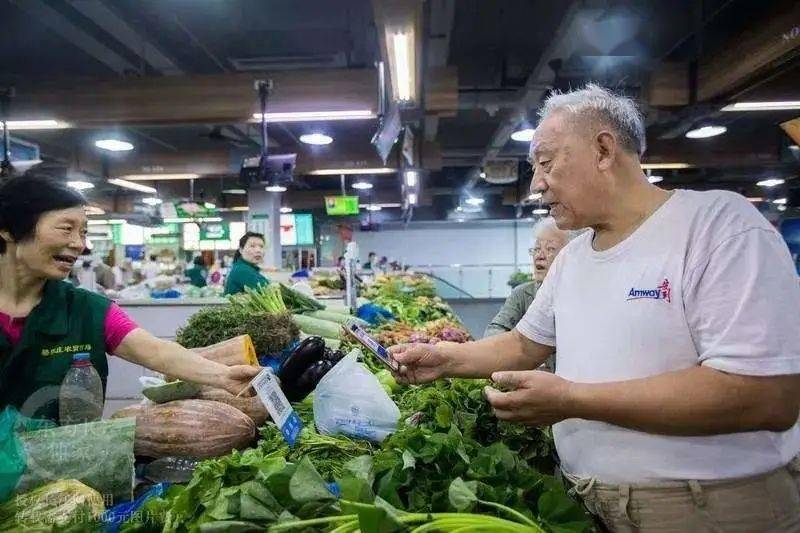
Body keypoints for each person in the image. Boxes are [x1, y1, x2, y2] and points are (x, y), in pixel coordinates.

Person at [389, 84, 800, 530]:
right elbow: (524, 345)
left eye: (545, 163)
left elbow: (766, 395)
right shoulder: (575, 256)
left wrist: (571, 399)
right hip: (588, 503)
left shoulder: (718, 226)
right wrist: (441, 359)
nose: (536, 184)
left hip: (705, 509)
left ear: (603, 150)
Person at [0, 175, 260, 422]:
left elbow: (157, 352)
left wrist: (224, 376)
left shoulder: (88, 310)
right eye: (67, 229)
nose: (79, 244)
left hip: (57, 465)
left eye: (83, 232)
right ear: (9, 230)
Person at [484, 217, 571, 338]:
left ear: (570, 255)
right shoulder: (522, 294)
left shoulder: (579, 295)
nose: (539, 256)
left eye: (550, 249)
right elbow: (495, 329)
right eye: (536, 249)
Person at [224, 232, 269, 296]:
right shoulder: (241, 270)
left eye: (261, 246)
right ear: (241, 250)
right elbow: (268, 290)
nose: (258, 250)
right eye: (252, 246)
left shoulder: (247, 268)